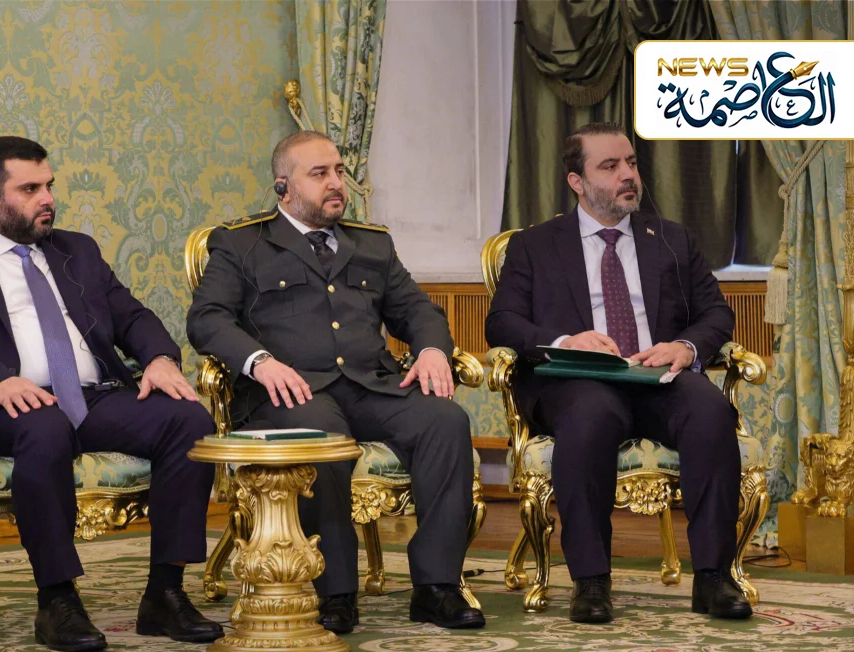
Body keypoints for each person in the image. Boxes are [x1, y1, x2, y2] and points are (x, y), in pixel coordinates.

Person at [0, 136, 222, 651]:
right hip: (7, 405)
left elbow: (131, 315)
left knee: (189, 419)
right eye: (30, 189)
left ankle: (165, 593)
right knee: (45, 426)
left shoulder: (78, 250)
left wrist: (160, 358)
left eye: (49, 186)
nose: (47, 198)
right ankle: (57, 601)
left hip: (94, 397)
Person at [186, 130, 483, 632]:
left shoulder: (372, 243)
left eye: (339, 171)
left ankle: (437, 587)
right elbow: (207, 318)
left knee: (445, 421)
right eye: (319, 173)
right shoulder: (241, 243)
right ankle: (336, 592)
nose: (336, 183)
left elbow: (416, 310)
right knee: (322, 439)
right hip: (289, 392)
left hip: (371, 386)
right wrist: (260, 361)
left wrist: (432, 350)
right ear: (283, 187)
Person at [485, 121, 750, 623]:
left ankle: (714, 577)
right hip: (577, 381)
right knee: (592, 415)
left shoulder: (670, 238)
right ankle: (591, 581)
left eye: (630, 162)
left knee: (711, 411)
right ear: (577, 182)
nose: (627, 174)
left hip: (656, 377)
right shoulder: (536, 245)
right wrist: (566, 341)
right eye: (609, 166)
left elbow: (716, 313)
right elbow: (502, 321)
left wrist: (684, 346)